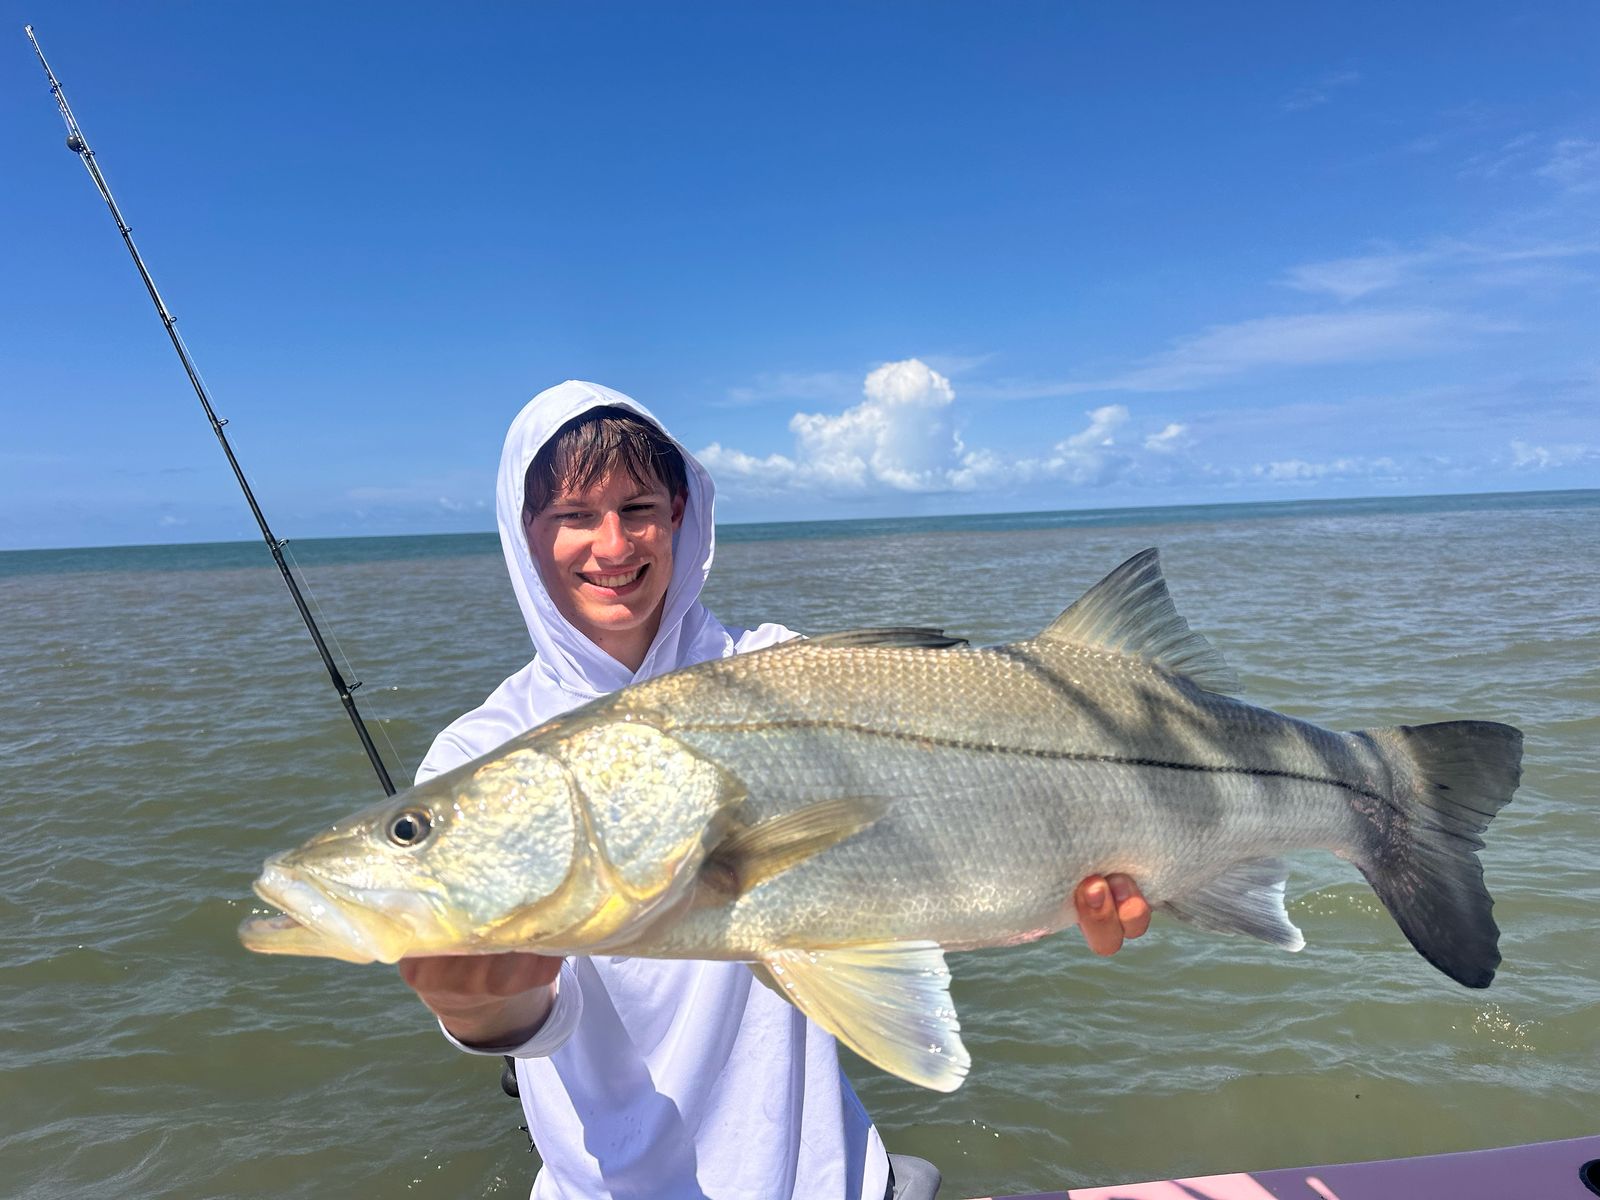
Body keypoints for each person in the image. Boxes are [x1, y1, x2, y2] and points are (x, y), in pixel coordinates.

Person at [397, 380, 1152, 1200]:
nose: (612, 546)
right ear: (524, 532)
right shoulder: (476, 756)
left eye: (639, 507)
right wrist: (473, 1008)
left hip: (833, 1179)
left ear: (680, 514)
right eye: (575, 516)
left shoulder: (781, 667)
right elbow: (541, 1013)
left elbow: (916, 854)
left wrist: (1052, 894)